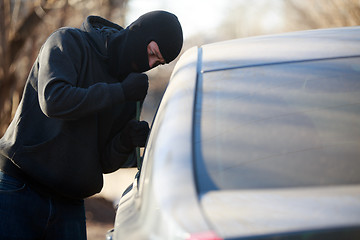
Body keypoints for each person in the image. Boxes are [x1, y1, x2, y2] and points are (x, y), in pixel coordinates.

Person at [0, 10, 183, 240]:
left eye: (158, 63)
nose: (150, 64)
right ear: (138, 30)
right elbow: (54, 100)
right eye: (152, 53)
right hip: (19, 189)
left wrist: (125, 141)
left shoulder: (130, 86)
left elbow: (104, 162)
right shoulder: (68, 42)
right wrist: (120, 92)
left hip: (70, 205)